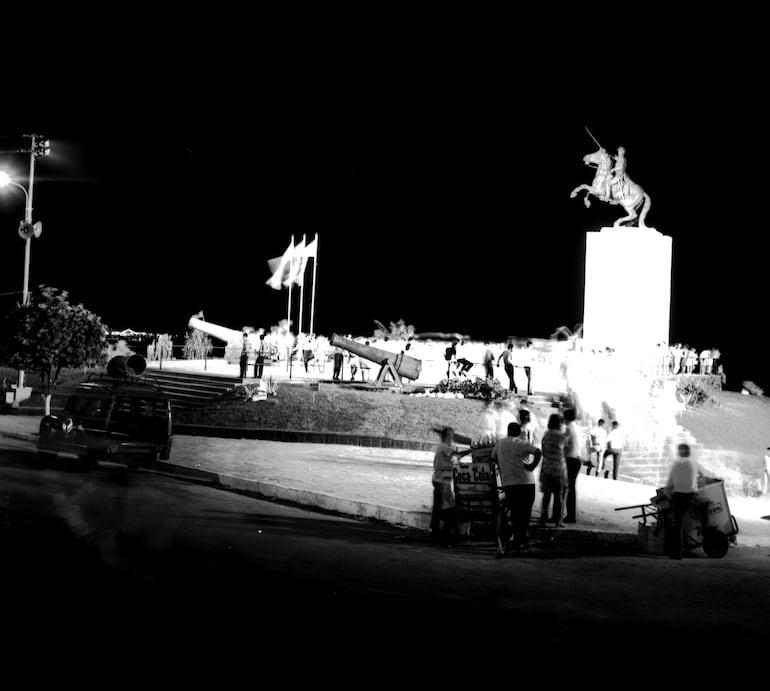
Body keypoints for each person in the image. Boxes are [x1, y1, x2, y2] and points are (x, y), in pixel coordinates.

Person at [492, 421, 542, 551]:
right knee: (525, 514)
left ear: (508, 431)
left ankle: (516, 538)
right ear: (519, 432)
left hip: (509, 483)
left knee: (515, 512)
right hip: (526, 482)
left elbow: (493, 458)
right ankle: (520, 540)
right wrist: (532, 466)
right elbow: (538, 452)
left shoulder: (500, 443)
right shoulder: (522, 443)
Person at [664, 443, 700, 559]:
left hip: (678, 497)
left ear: (679, 452)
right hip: (691, 497)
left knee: (677, 522)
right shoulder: (694, 463)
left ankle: (676, 551)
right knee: (705, 505)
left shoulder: (676, 465)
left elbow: (670, 484)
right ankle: (705, 532)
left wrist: (667, 494)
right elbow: (701, 476)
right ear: (689, 452)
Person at [430, 426, 460, 544]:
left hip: (440, 479)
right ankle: (444, 532)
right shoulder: (444, 447)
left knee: (438, 505)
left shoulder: (442, 446)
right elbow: (456, 455)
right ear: (447, 436)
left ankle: (436, 530)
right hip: (442, 480)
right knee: (448, 506)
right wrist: (471, 450)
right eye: (452, 435)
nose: (453, 437)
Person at [539, 413, 567, 527]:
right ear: (560, 424)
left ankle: (544, 518)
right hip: (559, 469)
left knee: (546, 494)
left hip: (546, 468)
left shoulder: (546, 435)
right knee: (558, 496)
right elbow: (566, 452)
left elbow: (543, 451)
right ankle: (558, 521)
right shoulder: (562, 437)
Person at [563, 407, 583, 524]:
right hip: (576, 459)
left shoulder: (568, 429)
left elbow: (564, 445)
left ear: (566, 417)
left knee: (569, 489)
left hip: (570, 459)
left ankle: (570, 515)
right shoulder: (576, 428)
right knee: (571, 488)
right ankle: (571, 514)